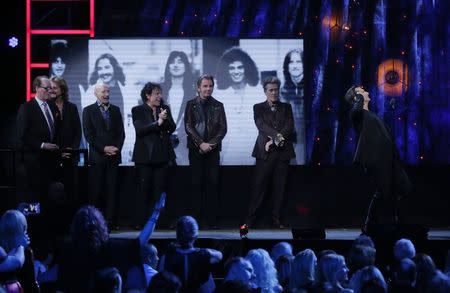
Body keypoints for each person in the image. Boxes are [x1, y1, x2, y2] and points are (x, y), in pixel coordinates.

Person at [344, 85, 412, 227]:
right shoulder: (357, 115)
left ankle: (397, 222)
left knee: (402, 187)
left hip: (390, 159)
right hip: (375, 161)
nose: (367, 91)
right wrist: (358, 96)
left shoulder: (372, 115)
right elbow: (356, 108)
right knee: (383, 192)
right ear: (356, 97)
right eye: (362, 91)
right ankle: (370, 225)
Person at [243, 76, 295, 229]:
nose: (274, 93)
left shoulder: (286, 107)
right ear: (265, 91)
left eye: (276, 90)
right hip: (264, 153)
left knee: (280, 188)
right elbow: (261, 126)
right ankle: (250, 220)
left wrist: (275, 140)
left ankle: (276, 219)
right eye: (271, 90)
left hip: (282, 152)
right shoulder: (258, 107)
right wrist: (276, 136)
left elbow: (289, 126)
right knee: (258, 187)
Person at [184, 74, 227, 228]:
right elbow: (188, 126)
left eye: (210, 86)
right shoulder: (190, 104)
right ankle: (196, 221)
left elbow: (223, 128)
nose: (208, 89)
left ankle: (212, 221)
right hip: (195, 150)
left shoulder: (218, 105)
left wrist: (211, 144)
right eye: (205, 86)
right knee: (196, 185)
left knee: (212, 185)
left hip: (213, 151)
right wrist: (201, 143)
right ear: (198, 88)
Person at [132, 82, 176, 229]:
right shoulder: (137, 110)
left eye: (160, 93)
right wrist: (158, 122)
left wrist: (166, 119)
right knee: (144, 190)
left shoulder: (165, 109)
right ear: (148, 95)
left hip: (162, 156)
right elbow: (140, 130)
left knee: (161, 190)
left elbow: (172, 127)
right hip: (144, 157)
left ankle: (161, 222)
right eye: (156, 93)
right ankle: (140, 222)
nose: (159, 96)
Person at [82, 83, 125, 229]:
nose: (106, 94)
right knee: (97, 192)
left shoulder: (115, 110)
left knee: (112, 192)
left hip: (113, 157)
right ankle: (96, 223)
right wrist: (104, 148)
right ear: (96, 93)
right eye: (103, 92)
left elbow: (121, 133)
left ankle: (111, 223)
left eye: (108, 91)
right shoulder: (88, 111)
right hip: (97, 158)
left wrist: (116, 148)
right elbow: (89, 135)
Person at [16, 75, 60, 204]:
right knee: (35, 198)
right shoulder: (27, 108)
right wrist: (41, 145)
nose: (50, 91)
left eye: (51, 88)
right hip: (34, 162)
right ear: (37, 88)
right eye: (47, 88)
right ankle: (34, 223)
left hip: (51, 162)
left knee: (50, 199)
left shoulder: (52, 107)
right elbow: (22, 135)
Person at [215, 47, 260, 165]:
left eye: (240, 67)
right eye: (231, 68)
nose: (236, 72)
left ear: (246, 68)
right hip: (227, 156)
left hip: (256, 155)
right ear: (226, 71)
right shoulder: (219, 95)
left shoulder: (258, 92)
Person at [158, 215, 223, 292]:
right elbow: (219, 255)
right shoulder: (203, 255)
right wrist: (200, 251)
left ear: (177, 236)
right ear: (195, 236)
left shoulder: (166, 258)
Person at [49, 76, 82, 204]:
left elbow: (78, 131)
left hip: (70, 155)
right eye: (50, 88)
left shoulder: (71, 107)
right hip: (53, 156)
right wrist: (58, 152)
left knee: (70, 190)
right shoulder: (47, 107)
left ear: (62, 89)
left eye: (55, 88)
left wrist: (71, 149)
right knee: (54, 191)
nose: (52, 90)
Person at [161, 51, 196, 165]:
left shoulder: (193, 92)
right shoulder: (160, 91)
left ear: (186, 66)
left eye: (180, 62)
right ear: (168, 66)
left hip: (185, 144)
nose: (176, 65)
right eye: (172, 62)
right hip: (162, 143)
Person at [281, 49, 307, 165]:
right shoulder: (281, 91)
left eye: (299, 61)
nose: (295, 65)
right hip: (290, 140)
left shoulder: (312, 88)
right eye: (291, 62)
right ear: (287, 66)